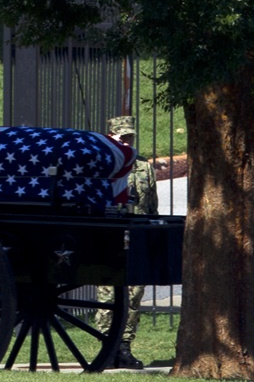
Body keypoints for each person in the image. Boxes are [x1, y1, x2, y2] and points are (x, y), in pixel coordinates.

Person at [96, 114, 159, 369]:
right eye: (122, 137)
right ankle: (106, 348)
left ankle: (124, 348)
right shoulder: (102, 165)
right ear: (112, 137)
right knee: (107, 296)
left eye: (130, 136)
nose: (127, 141)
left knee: (133, 296)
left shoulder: (143, 167)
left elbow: (152, 207)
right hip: (109, 240)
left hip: (136, 239)